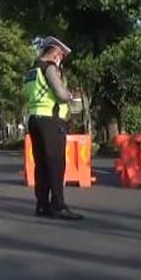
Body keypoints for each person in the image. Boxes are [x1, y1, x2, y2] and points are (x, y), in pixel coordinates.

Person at [23, 36, 84, 221]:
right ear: (56, 53)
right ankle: (58, 205)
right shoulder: (49, 68)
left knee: (41, 164)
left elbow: (26, 94)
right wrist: (70, 95)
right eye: (61, 56)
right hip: (51, 120)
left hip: (34, 119)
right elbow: (60, 94)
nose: (61, 60)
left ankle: (42, 204)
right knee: (56, 163)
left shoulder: (31, 72)